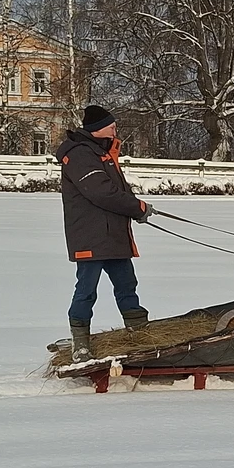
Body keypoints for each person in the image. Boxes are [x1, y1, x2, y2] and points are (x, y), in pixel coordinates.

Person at [56, 105, 156, 362]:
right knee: (86, 289)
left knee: (127, 285)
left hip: (112, 233)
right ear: (97, 128)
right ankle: (81, 343)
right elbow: (101, 192)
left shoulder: (102, 152)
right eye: (112, 125)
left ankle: (139, 333)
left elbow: (114, 190)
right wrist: (137, 207)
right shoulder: (79, 155)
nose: (115, 129)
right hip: (90, 235)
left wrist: (137, 208)